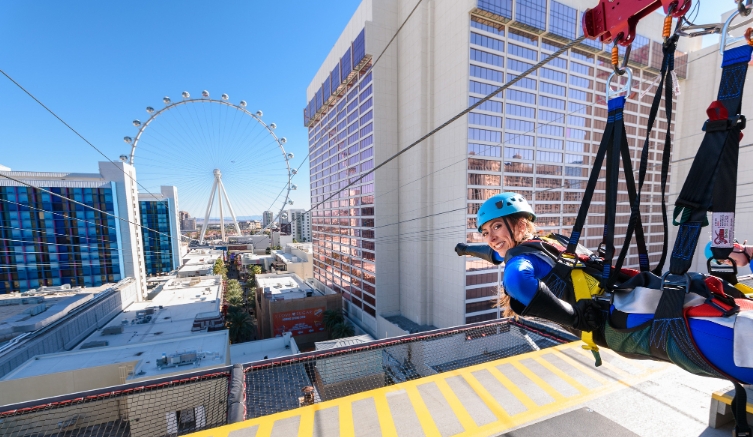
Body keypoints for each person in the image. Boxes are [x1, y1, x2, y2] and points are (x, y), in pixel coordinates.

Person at [458, 192, 753, 384]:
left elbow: (517, 282)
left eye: (496, 227)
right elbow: (496, 253)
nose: (491, 238)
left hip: (623, 321)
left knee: (726, 340)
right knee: (711, 307)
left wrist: (574, 319)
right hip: (629, 300)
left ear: (519, 223)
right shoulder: (550, 243)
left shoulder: (521, 259)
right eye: (485, 232)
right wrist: (469, 249)